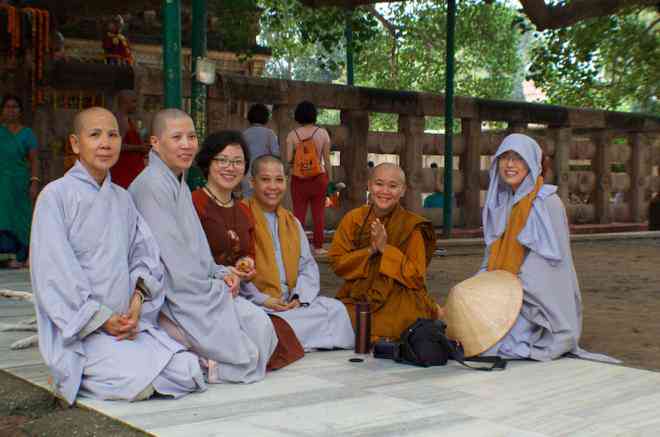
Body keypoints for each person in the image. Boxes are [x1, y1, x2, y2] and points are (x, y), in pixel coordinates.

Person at [30, 107, 205, 405]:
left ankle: (114, 367)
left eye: (112, 135)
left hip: (127, 324)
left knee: (187, 371)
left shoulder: (122, 199)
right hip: (83, 331)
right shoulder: (55, 196)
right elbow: (54, 273)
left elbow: (145, 256)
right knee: (138, 382)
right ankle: (78, 370)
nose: (105, 143)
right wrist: (101, 319)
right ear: (75, 144)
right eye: (95, 135)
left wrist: (137, 302)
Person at [129, 109, 278, 384]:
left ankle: (202, 356)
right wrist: (216, 285)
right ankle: (198, 358)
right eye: (177, 137)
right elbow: (171, 261)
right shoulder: (151, 185)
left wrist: (221, 273)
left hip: (199, 285)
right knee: (247, 353)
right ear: (155, 142)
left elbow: (197, 249)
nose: (186, 144)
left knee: (262, 329)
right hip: (174, 293)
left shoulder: (178, 183)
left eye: (191, 136)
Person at [474, 133, 610, 361]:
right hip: (505, 284)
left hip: (535, 296)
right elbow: (492, 252)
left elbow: (548, 263)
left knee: (500, 344)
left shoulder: (547, 201)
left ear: (532, 163)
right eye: (504, 158)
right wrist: (482, 284)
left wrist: (509, 286)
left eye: (518, 158)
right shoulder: (503, 200)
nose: (509, 165)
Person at [191, 130, 304, 367]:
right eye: (222, 160)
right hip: (205, 294)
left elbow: (247, 255)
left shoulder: (243, 210)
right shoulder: (194, 203)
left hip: (240, 294)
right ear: (208, 163)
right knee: (262, 331)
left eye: (237, 162)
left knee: (271, 330)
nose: (230, 168)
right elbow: (188, 259)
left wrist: (248, 265)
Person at [244, 154, 354, 350]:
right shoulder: (240, 216)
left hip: (290, 303)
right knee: (256, 323)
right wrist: (266, 300)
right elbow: (237, 270)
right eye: (265, 180)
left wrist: (298, 298)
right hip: (259, 304)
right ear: (252, 182)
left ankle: (285, 341)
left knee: (335, 309)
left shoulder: (292, 222)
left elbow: (307, 265)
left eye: (279, 180)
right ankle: (289, 339)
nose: (272, 187)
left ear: (286, 182)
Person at [328, 163, 441, 341]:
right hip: (360, 297)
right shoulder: (353, 219)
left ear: (403, 190)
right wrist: (370, 250)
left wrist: (385, 249)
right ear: (369, 185)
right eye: (379, 184)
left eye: (393, 186)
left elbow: (416, 276)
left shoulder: (411, 226)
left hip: (399, 299)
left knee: (407, 320)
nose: (385, 191)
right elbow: (337, 263)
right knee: (333, 315)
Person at [285, 101, 332, 256]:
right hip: (319, 178)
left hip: (299, 179)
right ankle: (318, 247)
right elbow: (327, 160)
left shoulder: (292, 135)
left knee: (298, 214)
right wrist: (329, 180)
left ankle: (298, 247)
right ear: (314, 115)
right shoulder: (323, 133)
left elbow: (288, 159)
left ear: (298, 115)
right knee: (318, 214)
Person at [0, 94, 40, 269]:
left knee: (21, 219)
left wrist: (34, 181)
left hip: (20, 182)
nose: (11, 110)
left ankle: (21, 256)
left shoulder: (27, 133)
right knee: (3, 217)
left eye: (15, 107)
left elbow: (34, 160)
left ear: (20, 111)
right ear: (2, 111)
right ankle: (5, 256)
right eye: (7, 107)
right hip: (2, 182)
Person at [241, 103, 279, 197]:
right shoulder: (269, 134)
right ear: (266, 118)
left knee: (248, 205)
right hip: (265, 175)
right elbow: (276, 155)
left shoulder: (244, 134)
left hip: (247, 175)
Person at [112, 89, 147, 189]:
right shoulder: (120, 120)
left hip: (132, 171)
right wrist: (139, 148)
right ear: (125, 102)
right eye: (134, 101)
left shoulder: (127, 119)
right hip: (124, 172)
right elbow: (117, 146)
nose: (136, 105)